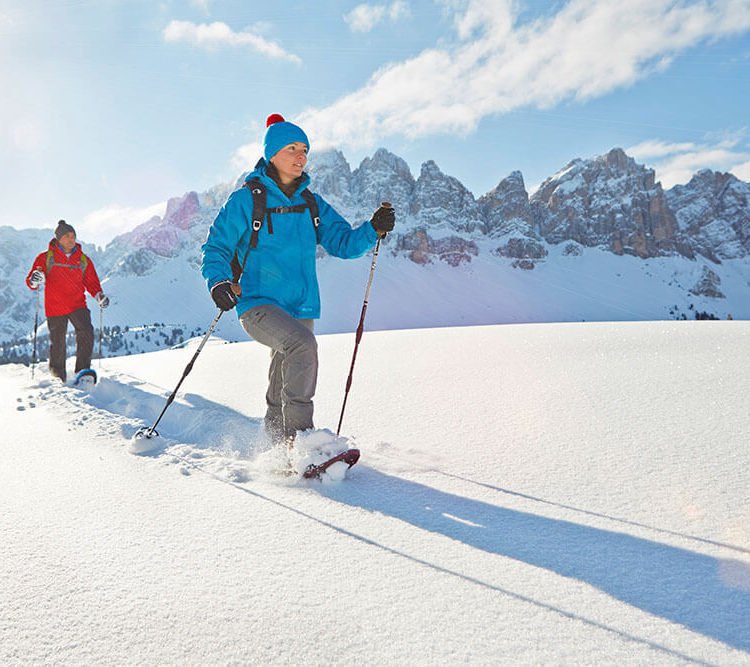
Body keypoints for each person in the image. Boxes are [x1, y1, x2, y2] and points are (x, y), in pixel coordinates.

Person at [201, 114, 395, 447]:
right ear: (272, 153)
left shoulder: (311, 203)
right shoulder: (247, 199)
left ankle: (276, 447)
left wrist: (372, 229)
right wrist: (218, 283)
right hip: (258, 303)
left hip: (301, 304)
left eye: (304, 149)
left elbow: (343, 243)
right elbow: (216, 246)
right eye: (292, 148)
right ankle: (303, 442)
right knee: (301, 347)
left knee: (286, 366)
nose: (301, 156)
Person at [26, 220, 110, 382]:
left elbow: (92, 283)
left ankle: (83, 370)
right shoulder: (45, 258)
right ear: (59, 238)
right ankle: (57, 374)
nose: (72, 239)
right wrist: (34, 280)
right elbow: (32, 281)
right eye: (67, 236)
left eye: (73, 236)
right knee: (57, 342)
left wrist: (99, 295)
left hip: (77, 304)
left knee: (86, 332)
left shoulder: (83, 260)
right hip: (55, 306)